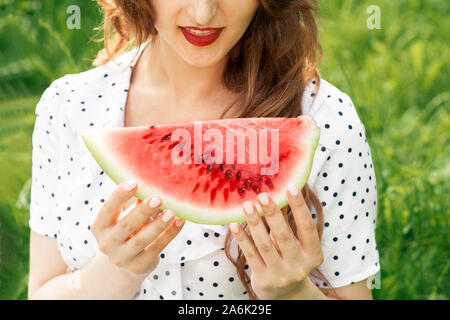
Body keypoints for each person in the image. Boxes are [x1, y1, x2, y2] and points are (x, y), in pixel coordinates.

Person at [28, 0, 380, 300]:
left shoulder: (325, 122)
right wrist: (110, 275)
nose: (203, 13)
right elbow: (41, 289)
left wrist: (294, 293)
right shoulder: (69, 108)